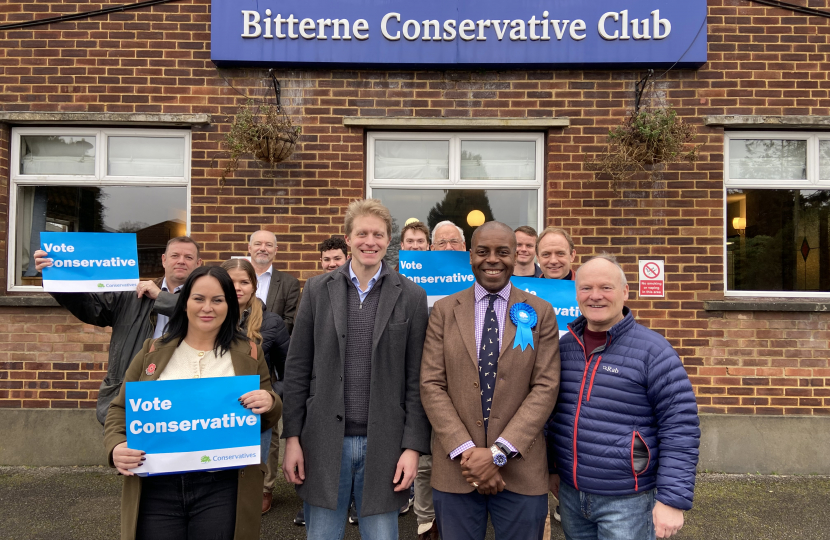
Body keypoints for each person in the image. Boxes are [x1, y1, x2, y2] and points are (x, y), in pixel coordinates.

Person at [282, 198, 430, 540]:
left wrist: (412, 448)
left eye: (378, 234)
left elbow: (416, 379)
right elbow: (297, 368)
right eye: (362, 233)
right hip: (322, 440)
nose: (370, 241)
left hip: (386, 444)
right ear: (347, 238)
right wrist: (292, 438)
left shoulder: (411, 296)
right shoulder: (317, 290)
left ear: (388, 240)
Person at [103, 265, 282, 540]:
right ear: (184, 302)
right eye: (198, 298)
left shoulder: (249, 354)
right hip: (157, 487)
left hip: (223, 486)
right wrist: (116, 445)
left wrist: (269, 401)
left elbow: (266, 416)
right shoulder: (152, 351)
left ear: (229, 305)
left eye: (217, 300)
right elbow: (120, 408)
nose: (207, 308)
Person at [420, 221, 561, 540]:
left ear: (517, 256)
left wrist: (497, 453)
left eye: (503, 252)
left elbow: (545, 387)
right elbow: (431, 384)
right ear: (470, 256)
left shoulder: (540, 311)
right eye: (483, 251)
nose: (492, 259)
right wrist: (468, 452)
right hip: (457, 469)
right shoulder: (443, 311)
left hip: (521, 470)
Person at [546, 254, 700, 540]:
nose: (595, 296)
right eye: (586, 288)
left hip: (627, 499)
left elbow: (681, 427)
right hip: (570, 495)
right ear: (576, 293)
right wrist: (553, 468)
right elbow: (554, 414)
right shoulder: (565, 347)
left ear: (625, 292)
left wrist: (671, 500)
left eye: (606, 287)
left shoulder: (654, 351)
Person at [33, 236, 201, 424]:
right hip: (133, 393)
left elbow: (204, 316)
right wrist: (56, 277)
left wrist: (160, 296)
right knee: (129, 452)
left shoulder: (207, 299)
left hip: (184, 391)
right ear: (163, 260)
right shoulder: (133, 294)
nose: (180, 261)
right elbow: (91, 309)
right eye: (175, 255)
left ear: (198, 263)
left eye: (188, 257)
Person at [221, 259, 291, 515]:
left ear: (253, 285)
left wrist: (272, 396)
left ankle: (264, 488)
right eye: (231, 282)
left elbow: (288, 370)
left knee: (264, 449)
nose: (237, 287)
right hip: (219, 404)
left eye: (244, 282)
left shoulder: (272, 322)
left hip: (257, 405)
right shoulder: (207, 318)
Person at [292, 236, 351, 528]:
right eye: (326, 260)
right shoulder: (314, 290)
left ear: (347, 257)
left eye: (336, 259)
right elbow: (300, 357)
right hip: (322, 401)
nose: (331, 264)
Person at [398, 220, 435, 538]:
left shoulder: (447, 276)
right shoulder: (394, 281)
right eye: (409, 240)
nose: (415, 245)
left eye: (420, 241)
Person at [247, 230, 301, 334]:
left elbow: (289, 321)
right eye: (258, 244)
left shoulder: (289, 283)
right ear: (250, 248)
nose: (263, 248)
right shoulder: (234, 279)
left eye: (269, 245)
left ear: (275, 250)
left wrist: (266, 340)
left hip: (273, 346)